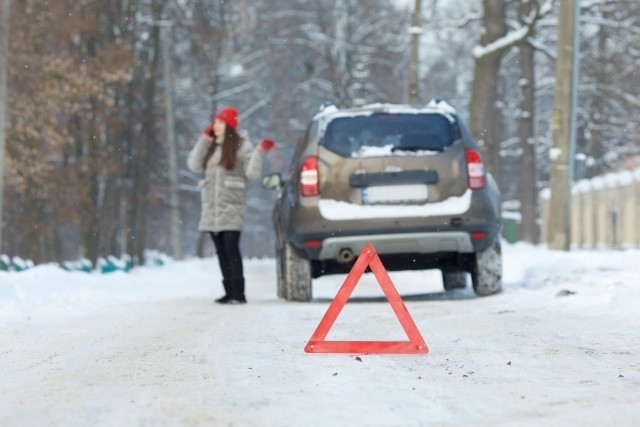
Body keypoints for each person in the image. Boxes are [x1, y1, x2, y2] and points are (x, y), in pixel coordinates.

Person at [187, 106, 276, 304]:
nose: (215, 126)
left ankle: (239, 292)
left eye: (219, 122)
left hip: (231, 207)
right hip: (212, 208)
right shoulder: (211, 146)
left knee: (231, 249)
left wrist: (260, 152)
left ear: (229, 124)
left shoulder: (242, 147)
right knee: (220, 251)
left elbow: (252, 173)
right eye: (215, 122)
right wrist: (204, 139)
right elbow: (193, 165)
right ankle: (228, 291)